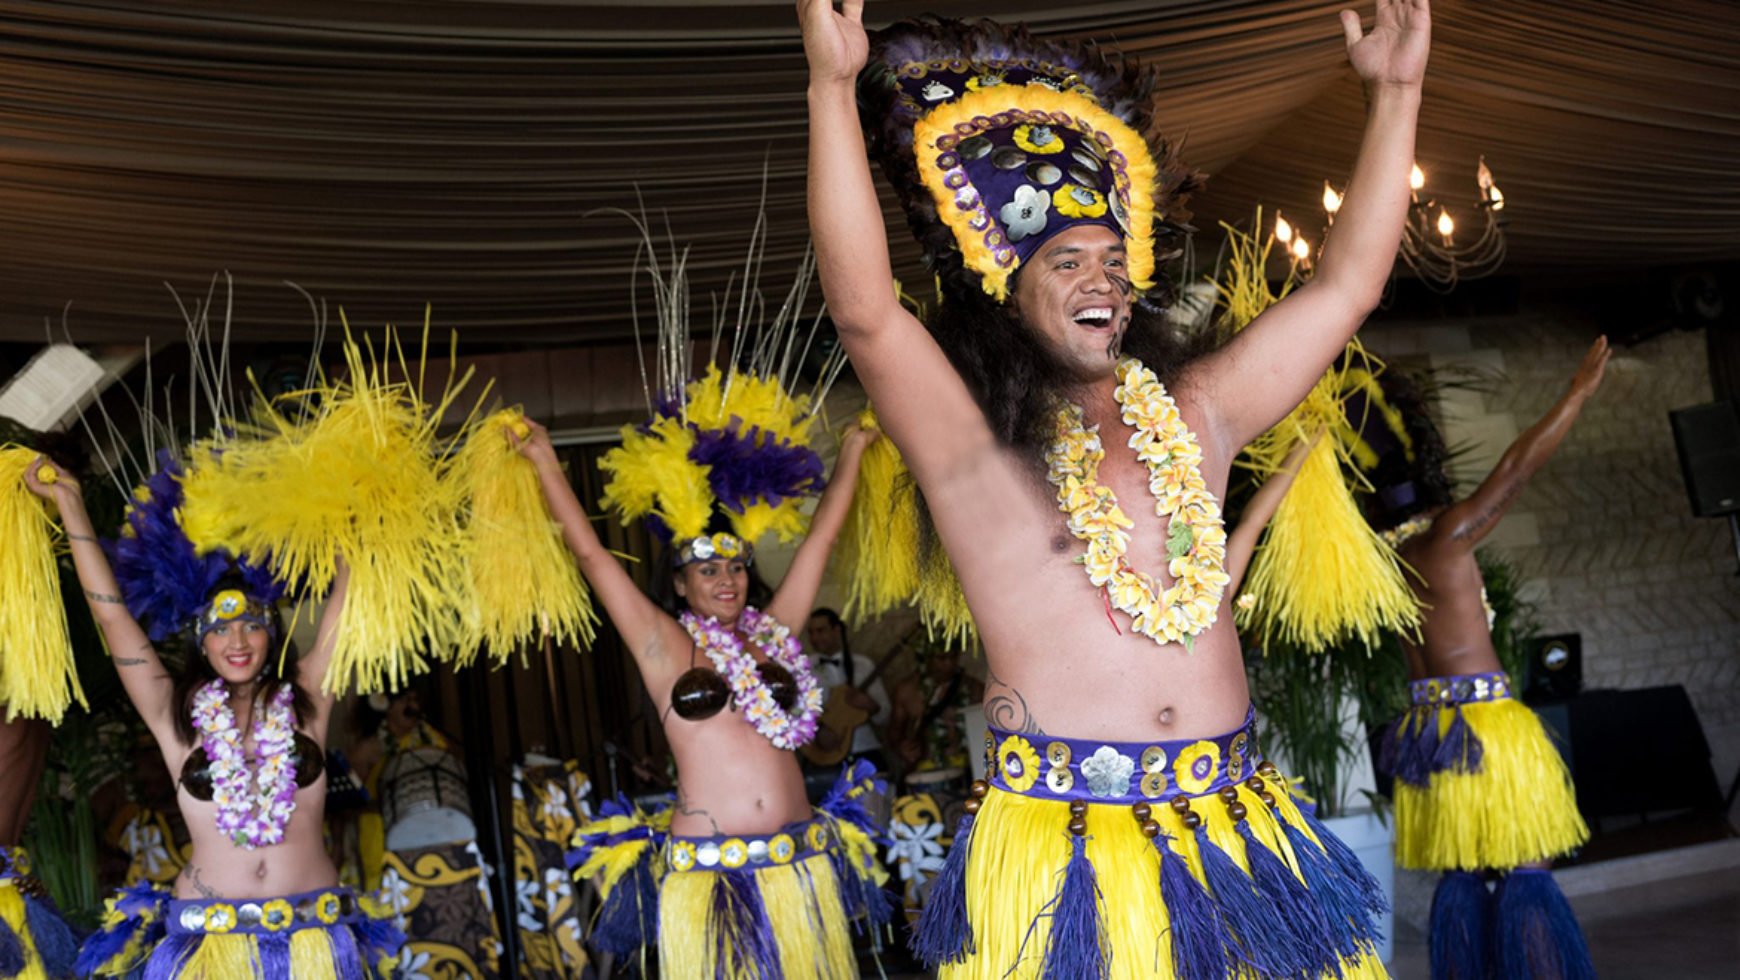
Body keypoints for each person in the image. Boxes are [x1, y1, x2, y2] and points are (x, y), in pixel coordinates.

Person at [800, 0, 1429, 976]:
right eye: (1068, 261)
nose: (1105, 281)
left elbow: (1344, 287)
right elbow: (868, 314)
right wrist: (832, 90)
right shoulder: (978, 452)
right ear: (1009, 290)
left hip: (1237, 833)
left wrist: (1395, 96)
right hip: (1068, 856)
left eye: (1113, 260)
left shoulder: (1195, 412)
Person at [517, 417, 887, 978]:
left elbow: (822, 540)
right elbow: (592, 555)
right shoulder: (663, 645)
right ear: (679, 583)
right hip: (713, 876)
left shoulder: (775, 634)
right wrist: (545, 461)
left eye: (737, 566)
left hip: (800, 860)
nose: (727, 579)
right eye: (708, 568)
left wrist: (855, 447)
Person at [27, 458, 400, 980]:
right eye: (221, 629)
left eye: (252, 625)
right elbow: (112, 615)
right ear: (201, 639)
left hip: (314, 938)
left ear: (272, 633)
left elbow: (352, 593)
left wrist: (352, 510)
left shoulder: (309, 698)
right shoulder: (172, 712)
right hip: (210, 944)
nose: (238, 641)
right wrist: (70, 506)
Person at [1372, 338, 1609, 980]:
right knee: (1527, 872)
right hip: (1485, 732)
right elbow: (1516, 471)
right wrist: (1576, 394)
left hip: (1429, 737)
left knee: (1465, 876)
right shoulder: (1447, 538)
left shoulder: (1378, 565)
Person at [802, 607, 892, 773]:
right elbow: (794, 711)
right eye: (811, 632)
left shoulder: (863, 665)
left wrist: (871, 706)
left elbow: (885, 715)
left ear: (837, 630)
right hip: (823, 756)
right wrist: (818, 731)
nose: (814, 638)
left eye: (821, 631)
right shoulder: (803, 667)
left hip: (865, 749)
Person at [887, 637, 984, 775]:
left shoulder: (974, 688)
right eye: (941, 658)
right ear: (926, 657)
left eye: (953, 657)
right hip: (927, 770)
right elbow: (895, 732)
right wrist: (902, 747)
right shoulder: (907, 691)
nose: (949, 664)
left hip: (970, 769)